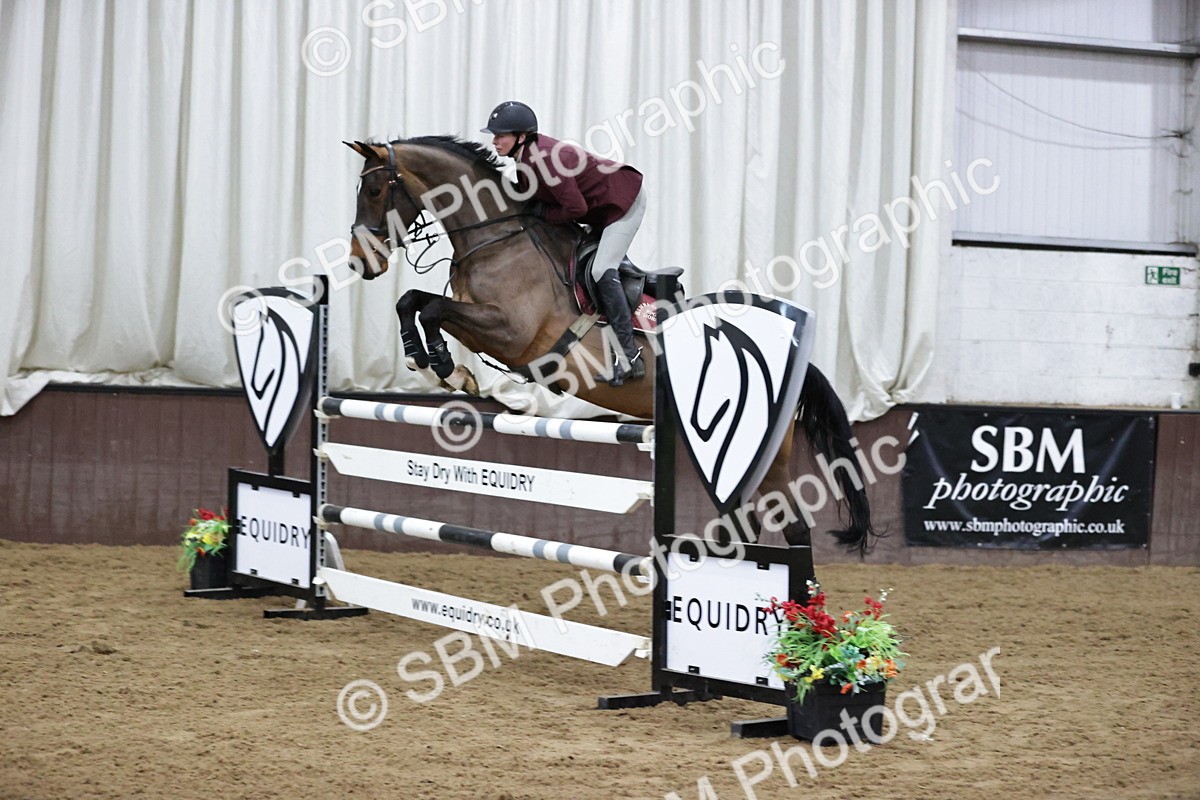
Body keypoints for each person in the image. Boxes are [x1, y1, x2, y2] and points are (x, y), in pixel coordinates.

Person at [481, 100, 647, 385]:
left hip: (623, 202)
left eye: (500, 135)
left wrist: (542, 213)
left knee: (600, 270)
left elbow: (576, 209)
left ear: (521, 137)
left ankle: (630, 357)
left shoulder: (543, 158)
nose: (494, 141)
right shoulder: (525, 158)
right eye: (494, 135)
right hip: (599, 204)